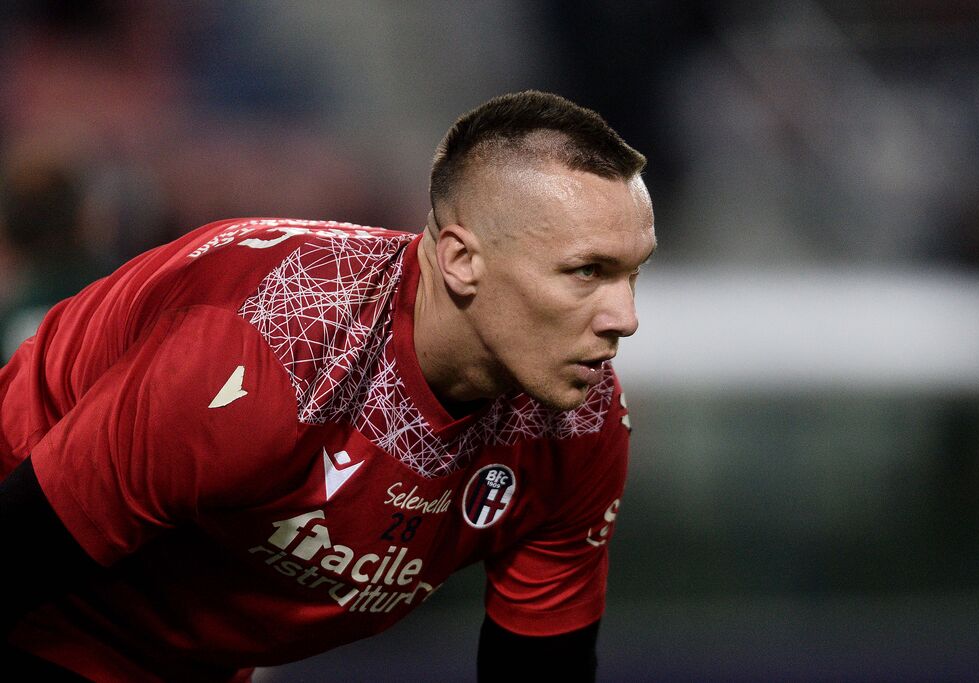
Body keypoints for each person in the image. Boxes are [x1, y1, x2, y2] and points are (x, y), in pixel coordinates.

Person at [0, 90, 655, 682]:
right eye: (585, 271)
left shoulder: (578, 422)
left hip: (186, 655)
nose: (623, 317)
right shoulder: (266, 343)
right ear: (460, 260)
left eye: (631, 274)